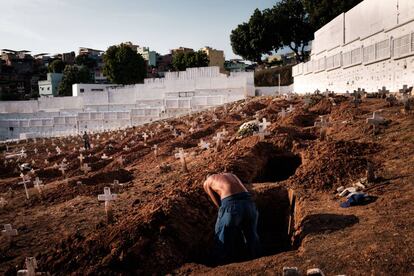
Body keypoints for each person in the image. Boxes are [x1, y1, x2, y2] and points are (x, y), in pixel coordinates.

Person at [203, 173, 260, 263]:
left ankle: (221, 264)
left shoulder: (207, 182)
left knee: (222, 235)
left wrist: (223, 213)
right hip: (249, 204)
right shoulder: (231, 175)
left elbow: (217, 202)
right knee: (251, 235)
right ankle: (256, 259)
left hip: (231, 204)